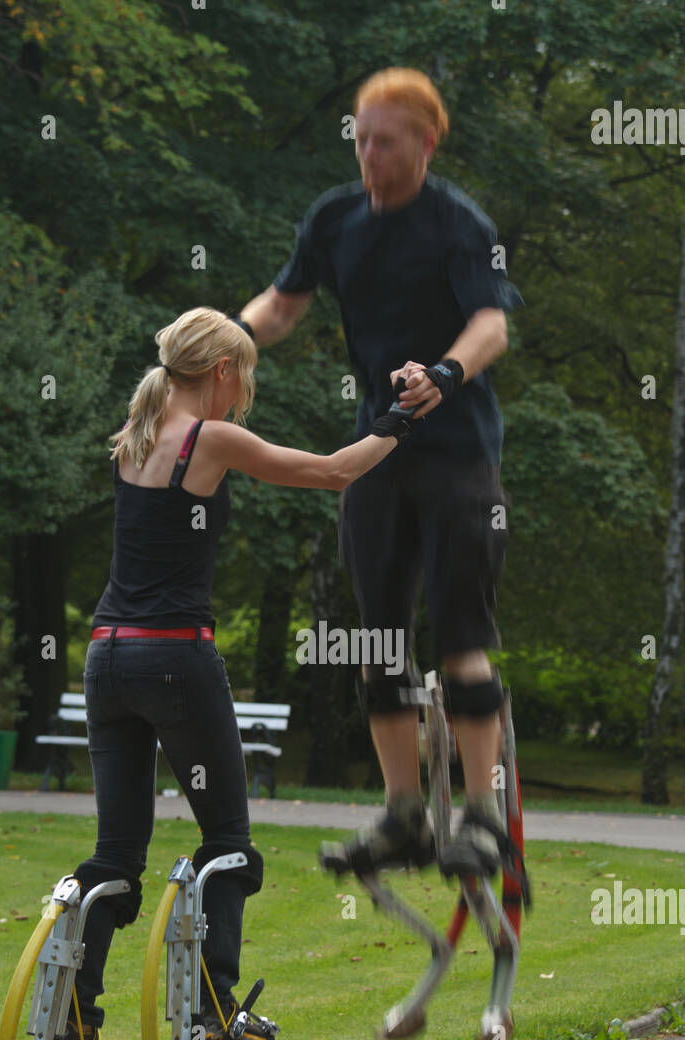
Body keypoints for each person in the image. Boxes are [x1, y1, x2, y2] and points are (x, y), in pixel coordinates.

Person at [53, 306, 418, 1040]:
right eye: (243, 375)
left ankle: (72, 1025)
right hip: (176, 661)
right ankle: (216, 1015)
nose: (243, 391)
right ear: (221, 371)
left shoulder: (136, 439)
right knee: (228, 844)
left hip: (106, 660)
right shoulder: (205, 439)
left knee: (115, 856)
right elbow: (332, 471)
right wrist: (402, 419)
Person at [235, 68, 525, 881]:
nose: (368, 153)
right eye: (359, 138)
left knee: (463, 641)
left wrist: (447, 372)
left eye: (385, 141)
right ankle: (403, 817)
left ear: (425, 144)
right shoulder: (333, 218)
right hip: (378, 451)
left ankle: (482, 818)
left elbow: (491, 323)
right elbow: (283, 306)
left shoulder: (459, 224)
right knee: (376, 640)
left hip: (460, 454)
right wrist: (227, 336)